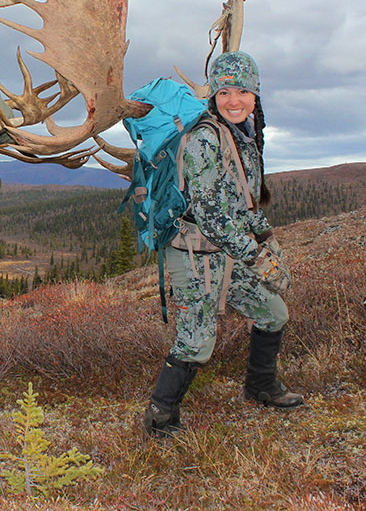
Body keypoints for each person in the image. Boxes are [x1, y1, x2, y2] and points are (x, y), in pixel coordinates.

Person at [143, 50, 303, 439]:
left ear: (256, 95)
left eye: (243, 92)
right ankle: (160, 417)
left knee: (274, 312)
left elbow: (244, 205)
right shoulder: (203, 140)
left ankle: (261, 386)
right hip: (193, 253)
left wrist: (268, 242)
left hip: (226, 252)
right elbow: (213, 218)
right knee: (197, 341)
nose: (234, 100)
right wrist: (257, 259)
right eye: (226, 92)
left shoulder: (244, 138)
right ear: (214, 95)